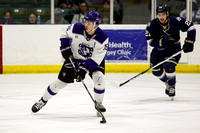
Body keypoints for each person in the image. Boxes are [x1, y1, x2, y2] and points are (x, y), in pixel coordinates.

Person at [32, 10, 109, 117]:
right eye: (85, 22)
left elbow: (96, 58)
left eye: (89, 23)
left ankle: (99, 104)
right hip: (74, 58)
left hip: (91, 61)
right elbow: (64, 32)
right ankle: (42, 100)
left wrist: (83, 69)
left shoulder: (103, 38)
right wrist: (65, 47)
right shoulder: (76, 27)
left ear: (96, 25)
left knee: (99, 78)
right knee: (59, 84)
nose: (86, 25)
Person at [145, 4, 196, 100]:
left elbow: (191, 27)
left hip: (173, 48)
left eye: (163, 14)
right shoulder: (151, 25)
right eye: (159, 15)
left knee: (169, 66)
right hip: (158, 51)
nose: (161, 17)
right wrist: (160, 43)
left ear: (167, 14)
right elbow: (149, 40)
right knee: (156, 71)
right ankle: (167, 82)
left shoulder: (176, 21)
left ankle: (172, 86)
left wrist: (190, 41)